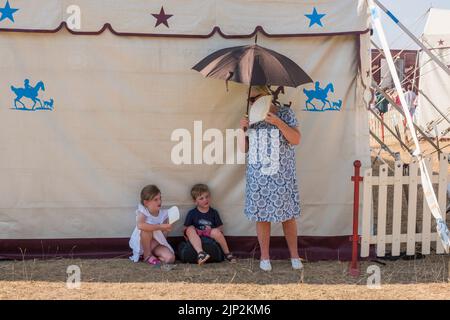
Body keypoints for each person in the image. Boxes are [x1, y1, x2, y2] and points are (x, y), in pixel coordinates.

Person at [238, 85, 303, 272]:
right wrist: (241, 130)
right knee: (262, 217)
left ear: (266, 96)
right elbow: (244, 149)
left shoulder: (285, 113)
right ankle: (264, 256)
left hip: (282, 175)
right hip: (259, 177)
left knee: (288, 217)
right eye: (249, 100)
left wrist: (278, 123)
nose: (252, 103)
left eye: (255, 99)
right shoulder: (250, 118)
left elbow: (296, 139)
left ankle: (294, 255)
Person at [184, 184, 237, 264]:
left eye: (207, 196)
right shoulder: (192, 213)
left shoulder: (214, 212)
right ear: (195, 202)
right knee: (189, 229)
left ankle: (227, 253)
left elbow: (220, 228)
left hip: (209, 234)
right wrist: (192, 231)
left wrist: (212, 230)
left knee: (216, 231)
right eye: (201, 198)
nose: (205, 200)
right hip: (196, 235)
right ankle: (201, 253)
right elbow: (185, 230)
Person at [129, 185, 176, 266]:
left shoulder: (164, 214)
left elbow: (163, 236)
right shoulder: (143, 212)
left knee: (170, 258)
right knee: (147, 228)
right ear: (146, 203)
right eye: (156, 199)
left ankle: (155, 258)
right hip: (144, 244)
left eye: (160, 198)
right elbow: (140, 225)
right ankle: (147, 255)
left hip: (156, 244)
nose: (159, 202)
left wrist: (167, 228)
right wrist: (160, 226)